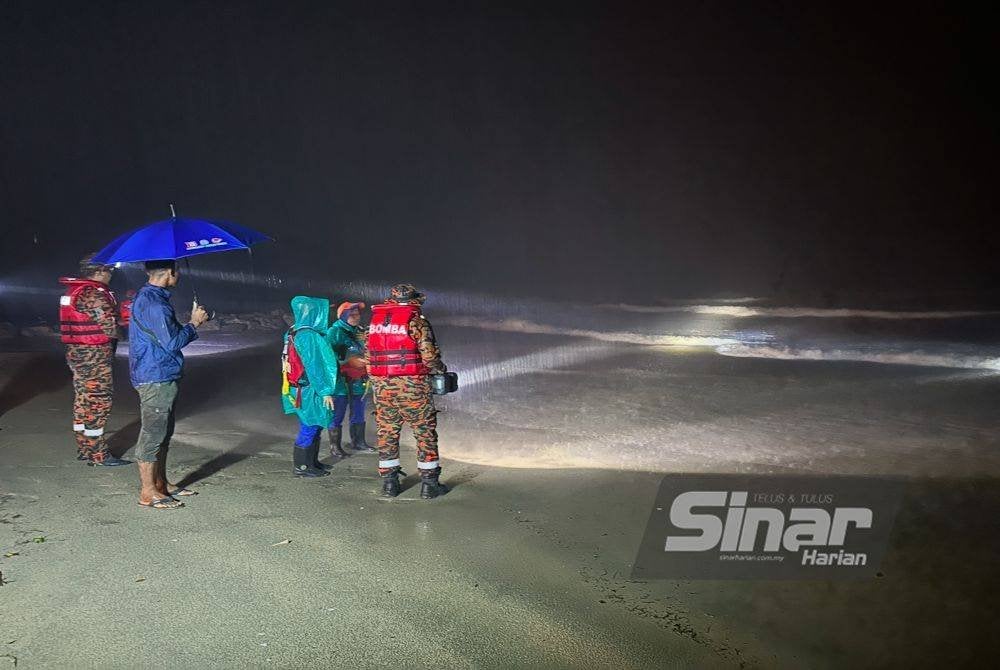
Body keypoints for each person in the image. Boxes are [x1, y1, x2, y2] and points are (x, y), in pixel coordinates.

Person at [128, 260, 208, 509]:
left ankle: (160, 483)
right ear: (171, 273)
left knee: (163, 431)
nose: (179, 275)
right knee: (153, 433)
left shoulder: (152, 298)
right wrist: (194, 323)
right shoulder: (154, 304)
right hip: (156, 375)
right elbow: (172, 342)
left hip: (159, 371)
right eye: (178, 271)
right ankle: (148, 491)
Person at [368, 283, 449, 499]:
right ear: (414, 300)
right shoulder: (416, 322)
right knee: (424, 432)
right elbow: (430, 357)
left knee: (387, 433)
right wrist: (441, 370)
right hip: (413, 387)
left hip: (383, 388)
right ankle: (429, 484)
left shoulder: (376, 323)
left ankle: (389, 484)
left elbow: (369, 356)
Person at [59, 254, 130, 465]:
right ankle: (99, 454)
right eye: (110, 270)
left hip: (76, 353)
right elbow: (111, 328)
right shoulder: (94, 294)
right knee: (99, 400)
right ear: (99, 271)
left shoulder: (74, 291)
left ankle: (84, 447)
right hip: (94, 355)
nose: (111, 274)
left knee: (83, 399)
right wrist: (125, 322)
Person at [281, 296, 339, 477]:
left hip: (298, 387)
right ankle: (302, 467)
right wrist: (325, 391)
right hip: (309, 389)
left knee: (315, 423)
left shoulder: (293, 331)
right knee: (310, 425)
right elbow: (315, 366)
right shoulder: (308, 336)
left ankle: (312, 462)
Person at [325, 301, 375, 458]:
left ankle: (358, 442)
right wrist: (346, 361)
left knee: (359, 411)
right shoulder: (335, 332)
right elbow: (327, 357)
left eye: (357, 314)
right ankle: (335, 447)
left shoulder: (360, 331)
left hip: (359, 378)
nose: (356, 317)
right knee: (337, 413)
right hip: (341, 380)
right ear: (343, 315)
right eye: (352, 314)